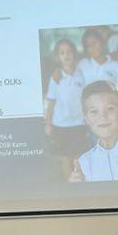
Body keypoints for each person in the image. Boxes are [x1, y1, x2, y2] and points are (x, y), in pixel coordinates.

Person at [44, 38, 88, 179]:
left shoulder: (81, 74)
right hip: (61, 124)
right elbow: (51, 102)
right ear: (57, 57)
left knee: (78, 157)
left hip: (79, 123)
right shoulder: (56, 77)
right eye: (62, 53)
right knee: (65, 157)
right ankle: (69, 186)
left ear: (74, 54)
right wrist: (48, 123)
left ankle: (78, 184)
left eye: (69, 51)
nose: (66, 55)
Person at [75, 28, 118, 118]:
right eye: (88, 46)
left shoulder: (114, 65)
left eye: (94, 42)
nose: (92, 47)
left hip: (111, 115)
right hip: (91, 116)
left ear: (102, 43)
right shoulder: (83, 64)